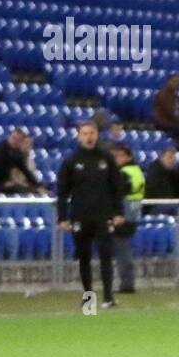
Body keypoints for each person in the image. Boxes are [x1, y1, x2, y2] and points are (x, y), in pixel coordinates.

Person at [56, 122, 125, 309]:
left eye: (92, 133)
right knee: (84, 257)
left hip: (103, 215)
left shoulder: (106, 158)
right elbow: (62, 191)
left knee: (106, 255)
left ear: (97, 135)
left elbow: (116, 187)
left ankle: (108, 297)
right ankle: (88, 300)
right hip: (80, 215)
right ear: (79, 136)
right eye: (85, 133)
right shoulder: (71, 161)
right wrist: (62, 217)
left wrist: (119, 212)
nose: (89, 137)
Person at [112, 144, 144, 294]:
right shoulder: (137, 171)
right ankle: (127, 282)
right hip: (133, 213)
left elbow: (118, 192)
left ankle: (126, 283)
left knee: (122, 249)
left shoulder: (123, 172)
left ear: (128, 157)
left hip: (122, 213)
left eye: (120, 156)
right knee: (124, 248)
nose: (117, 159)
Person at [0, 129, 46, 195]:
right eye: (13, 138)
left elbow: (25, 170)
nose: (15, 141)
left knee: (38, 189)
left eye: (17, 139)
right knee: (28, 191)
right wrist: (5, 182)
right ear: (9, 137)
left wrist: (37, 184)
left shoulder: (16, 153)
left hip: (10, 183)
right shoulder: (0, 150)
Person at [144, 146, 179, 214]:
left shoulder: (171, 172)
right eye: (169, 157)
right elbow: (153, 193)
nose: (172, 161)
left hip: (167, 203)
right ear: (161, 158)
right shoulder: (154, 171)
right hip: (153, 206)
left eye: (174, 158)